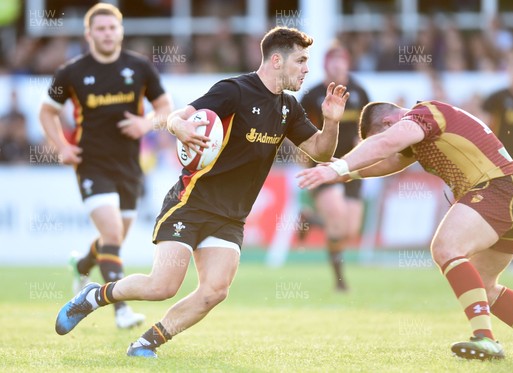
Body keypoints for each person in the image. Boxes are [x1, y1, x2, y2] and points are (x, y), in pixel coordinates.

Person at [54, 26, 350, 358]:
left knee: (215, 291)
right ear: (277, 60)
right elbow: (178, 117)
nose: (306, 69)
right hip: (191, 203)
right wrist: (180, 127)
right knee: (162, 286)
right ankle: (95, 296)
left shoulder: (289, 109)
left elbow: (320, 152)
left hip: (231, 216)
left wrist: (331, 121)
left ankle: (148, 342)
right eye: (301, 60)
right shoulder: (234, 90)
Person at [297, 100, 513, 360]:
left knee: (445, 248)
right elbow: (392, 160)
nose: (382, 146)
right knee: (485, 287)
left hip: (497, 187)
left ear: (389, 120)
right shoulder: (423, 130)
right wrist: (350, 173)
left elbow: (387, 143)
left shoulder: (422, 113)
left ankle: (485, 338)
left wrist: (338, 167)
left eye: (376, 137)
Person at [40, 3, 172, 329]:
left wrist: (146, 124)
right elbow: (47, 111)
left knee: (112, 240)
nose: (107, 33)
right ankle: (120, 309)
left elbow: (165, 107)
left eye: (112, 28)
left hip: (129, 166)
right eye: (100, 29)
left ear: (121, 31)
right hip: (91, 164)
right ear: (89, 34)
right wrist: (63, 147)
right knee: (111, 232)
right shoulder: (71, 72)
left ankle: (81, 265)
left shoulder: (140, 68)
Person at [300, 42, 370, 291]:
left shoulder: (360, 92)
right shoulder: (312, 95)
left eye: (342, 60)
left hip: (352, 166)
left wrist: (365, 144)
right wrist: (305, 165)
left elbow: (368, 129)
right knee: (338, 220)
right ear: (326, 64)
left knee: (349, 230)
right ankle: (339, 280)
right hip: (322, 165)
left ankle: (310, 220)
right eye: (333, 60)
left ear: (348, 63)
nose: (338, 64)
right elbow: (299, 132)